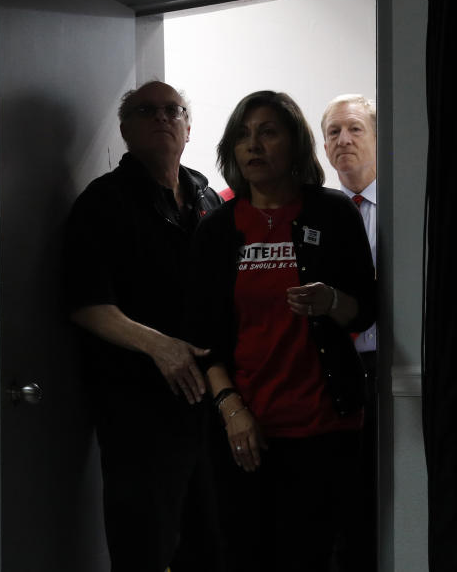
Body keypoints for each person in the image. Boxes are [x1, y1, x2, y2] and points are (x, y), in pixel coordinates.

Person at [188, 90, 376, 572]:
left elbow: (365, 311)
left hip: (325, 428)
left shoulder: (334, 214)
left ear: (294, 144)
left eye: (268, 132)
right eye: (243, 136)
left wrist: (331, 300)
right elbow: (204, 338)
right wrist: (232, 410)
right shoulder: (216, 229)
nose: (254, 145)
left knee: (312, 557)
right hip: (245, 428)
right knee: (244, 556)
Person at [63, 80, 224, 572]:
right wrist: (160, 347)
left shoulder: (207, 196)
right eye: (145, 110)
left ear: (188, 127)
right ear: (124, 129)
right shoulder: (102, 202)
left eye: (172, 110)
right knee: (144, 548)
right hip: (137, 412)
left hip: (209, 406)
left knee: (212, 546)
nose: (161, 118)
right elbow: (85, 303)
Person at [321, 92, 378, 572]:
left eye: (355, 129)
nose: (343, 140)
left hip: (388, 367)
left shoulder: (400, 206)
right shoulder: (323, 216)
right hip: (335, 369)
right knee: (339, 496)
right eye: (333, 132)